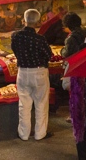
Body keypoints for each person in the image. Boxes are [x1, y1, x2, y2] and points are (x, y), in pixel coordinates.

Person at [11, 9, 52, 141]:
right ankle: (40, 133)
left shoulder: (16, 36)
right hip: (39, 72)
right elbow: (48, 55)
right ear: (38, 22)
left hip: (23, 72)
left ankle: (23, 133)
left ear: (24, 20)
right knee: (41, 103)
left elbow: (15, 50)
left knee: (24, 104)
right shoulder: (40, 39)